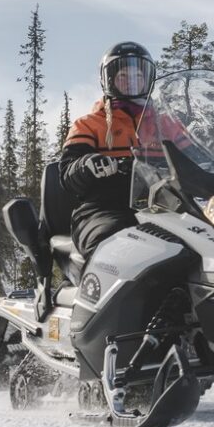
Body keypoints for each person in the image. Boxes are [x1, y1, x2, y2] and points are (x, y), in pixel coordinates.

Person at [59, 42, 191, 264]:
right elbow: (67, 173)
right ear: (109, 80)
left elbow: (195, 160)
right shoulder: (89, 124)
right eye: (123, 76)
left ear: (148, 79)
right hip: (105, 208)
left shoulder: (167, 124)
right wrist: (87, 164)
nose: (131, 81)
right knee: (115, 248)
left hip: (167, 208)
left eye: (138, 75)